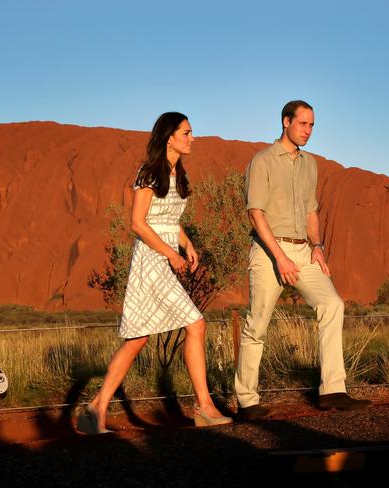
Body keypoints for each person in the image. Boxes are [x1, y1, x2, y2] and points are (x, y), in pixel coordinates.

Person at [78, 112, 232, 433]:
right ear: (169, 137)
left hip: (164, 257)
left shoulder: (177, 173)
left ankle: (96, 408)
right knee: (196, 323)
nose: (192, 138)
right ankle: (203, 406)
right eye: (186, 133)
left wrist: (186, 244)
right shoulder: (149, 173)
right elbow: (138, 223)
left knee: (137, 339)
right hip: (151, 261)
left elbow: (168, 219)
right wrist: (169, 255)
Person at [234, 100, 371, 420]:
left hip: (303, 250)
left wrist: (318, 246)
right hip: (270, 251)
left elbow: (312, 211)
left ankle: (333, 390)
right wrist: (279, 257)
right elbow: (256, 213)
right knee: (257, 325)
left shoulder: (310, 164)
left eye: (312, 125)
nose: (308, 131)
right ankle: (247, 401)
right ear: (285, 122)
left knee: (332, 304)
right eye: (302, 124)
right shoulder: (263, 161)